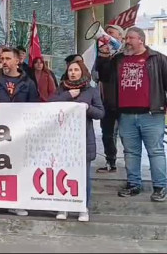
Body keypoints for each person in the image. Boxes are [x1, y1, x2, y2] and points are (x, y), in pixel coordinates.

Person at [96, 27, 167, 202]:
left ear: (141, 39)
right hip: (126, 115)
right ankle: (133, 184)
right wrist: (103, 57)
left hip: (152, 115)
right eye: (126, 38)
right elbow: (103, 76)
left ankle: (159, 187)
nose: (126, 41)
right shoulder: (118, 59)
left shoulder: (157, 59)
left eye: (130, 38)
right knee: (131, 152)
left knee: (155, 151)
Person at [0, 47, 40, 218]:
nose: (4, 61)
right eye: (2, 58)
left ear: (17, 61)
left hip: (18, 133)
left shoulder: (28, 83)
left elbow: (35, 107)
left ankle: (16, 203)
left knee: (17, 167)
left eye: (8, 58)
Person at [49, 56, 104, 222]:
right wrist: (67, 95)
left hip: (83, 140)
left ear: (82, 72)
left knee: (83, 175)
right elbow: (49, 104)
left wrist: (88, 108)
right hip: (62, 140)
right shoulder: (61, 90)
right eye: (70, 70)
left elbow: (101, 113)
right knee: (63, 174)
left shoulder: (91, 91)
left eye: (76, 70)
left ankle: (82, 207)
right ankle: (63, 207)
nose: (73, 73)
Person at [96, 24, 125, 173]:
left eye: (111, 33)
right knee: (107, 134)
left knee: (126, 135)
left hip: (125, 103)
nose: (107, 36)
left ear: (120, 37)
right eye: (106, 33)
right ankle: (110, 162)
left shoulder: (126, 55)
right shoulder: (102, 55)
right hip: (107, 101)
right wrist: (104, 58)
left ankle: (131, 163)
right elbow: (102, 76)